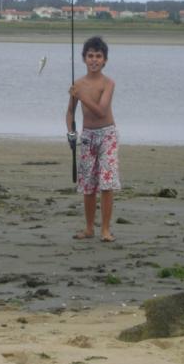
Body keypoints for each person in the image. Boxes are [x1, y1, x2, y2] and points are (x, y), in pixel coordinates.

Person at [66, 36, 120, 242]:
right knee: (88, 184)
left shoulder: (108, 83)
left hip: (108, 135)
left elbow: (101, 111)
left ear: (105, 60)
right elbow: (70, 112)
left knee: (107, 183)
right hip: (87, 136)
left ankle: (105, 230)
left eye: (98, 56)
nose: (94, 60)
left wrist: (81, 96)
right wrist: (70, 132)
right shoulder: (78, 84)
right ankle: (89, 229)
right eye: (90, 56)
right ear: (84, 58)